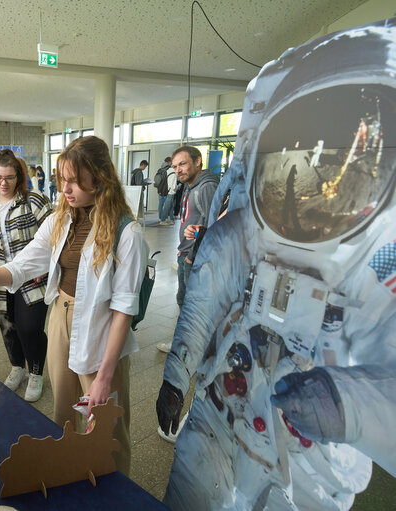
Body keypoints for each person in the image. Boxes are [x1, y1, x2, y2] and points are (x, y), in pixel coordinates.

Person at [157, 21, 396, 510]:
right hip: (220, 414)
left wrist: (342, 403)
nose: (310, 176)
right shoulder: (244, 232)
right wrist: (177, 377)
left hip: (312, 458)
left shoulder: (381, 262)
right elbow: (202, 304)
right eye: (295, 151)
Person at [0, 136, 148, 475]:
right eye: (61, 178)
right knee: (65, 413)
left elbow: (124, 309)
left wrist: (104, 375)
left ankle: (114, 493)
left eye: (74, 180)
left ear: (99, 177)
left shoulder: (127, 233)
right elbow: (22, 266)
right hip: (60, 318)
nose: (64, 188)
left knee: (105, 425)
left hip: (101, 330)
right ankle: (72, 476)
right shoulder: (60, 221)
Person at [0, 149, 52, 402]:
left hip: (32, 279)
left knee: (30, 328)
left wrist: (48, 267)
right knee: (7, 328)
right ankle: (17, 367)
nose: (3, 183)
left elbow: (59, 236)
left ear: (18, 176)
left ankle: (36, 373)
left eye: (9, 177)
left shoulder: (34, 201)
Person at [172, 146, 218, 308]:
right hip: (185, 253)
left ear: (198, 161)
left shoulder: (206, 187)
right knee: (183, 300)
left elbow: (212, 227)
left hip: (195, 257)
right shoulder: (189, 185)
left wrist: (191, 255)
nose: (178, 170)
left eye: (182, 164)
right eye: (175, 167)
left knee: (192, 306)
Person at [155, 157, 177, 225]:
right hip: (169, 190)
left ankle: (164, 218)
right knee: (168, 205)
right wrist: (175, 189)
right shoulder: (172, 170)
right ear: (170, 162)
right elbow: (173, 182)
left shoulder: (161, 169)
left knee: (162, 204)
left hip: (161, 189)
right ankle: (163, 220)